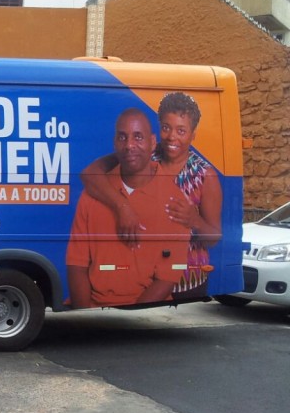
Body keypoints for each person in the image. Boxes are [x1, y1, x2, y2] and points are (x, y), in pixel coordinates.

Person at [78, 92, 222, 298]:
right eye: (166, 128)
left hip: (185, 282)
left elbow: (214, 238)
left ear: (193, 135)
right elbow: (89, 175)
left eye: (181, 130)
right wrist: (122, 206)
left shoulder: (203, 174)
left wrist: (194, 220)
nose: (172, 137)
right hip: (143, 279)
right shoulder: (141, 153)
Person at [67, 108, 191, 309]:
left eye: (138, 137)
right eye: (122, 137)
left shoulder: (175, 203)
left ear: (152, 143)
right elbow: (76, 265)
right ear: (115, 143)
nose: (129, 145)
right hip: (93, 311)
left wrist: (130, 320)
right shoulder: (93, 194)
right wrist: (86, 319)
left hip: (146, 316)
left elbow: (167, 277)